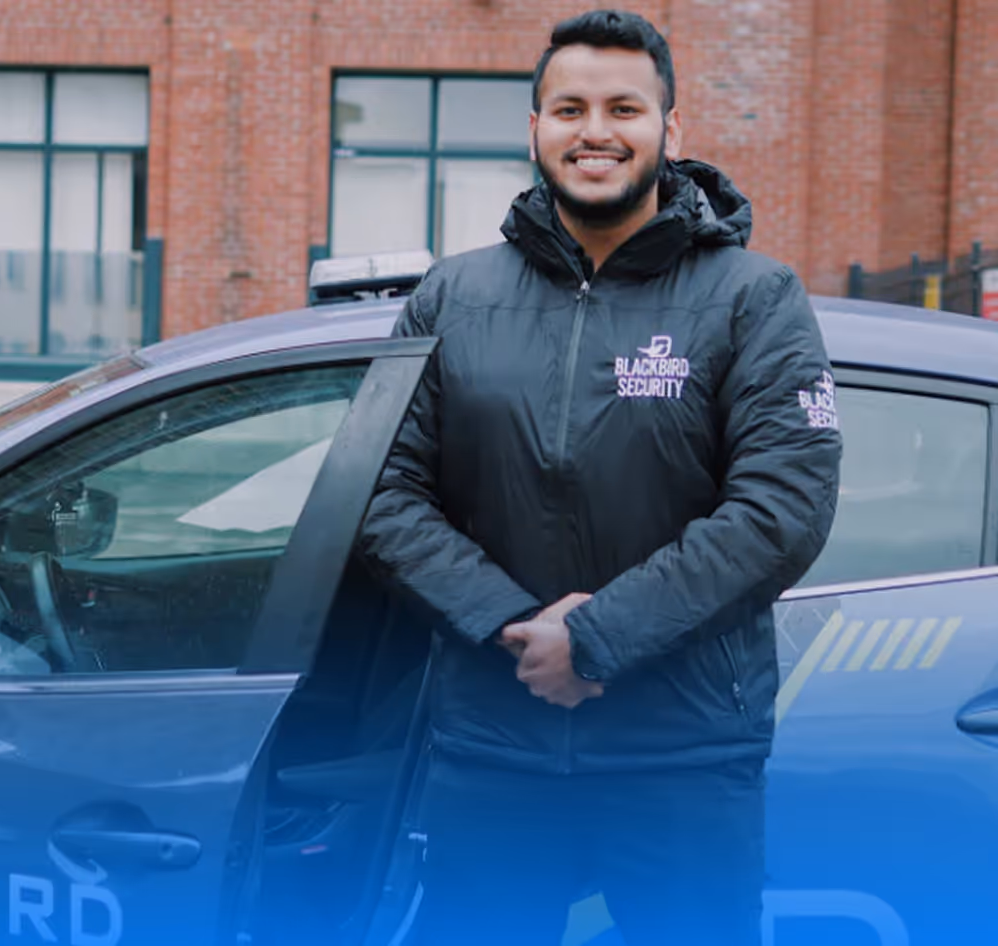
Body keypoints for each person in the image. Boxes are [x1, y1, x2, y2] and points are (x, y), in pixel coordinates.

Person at [358, 9, 843, 946]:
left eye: (625, 107)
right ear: (534, 128)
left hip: (684, 752)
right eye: (569, 107)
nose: (596, 131)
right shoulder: (452, 296)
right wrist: (520, 628)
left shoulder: (754, 296)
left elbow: (783, 508)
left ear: (670, 129)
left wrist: (599, 637)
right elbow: (382, 494)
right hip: (492, 743)